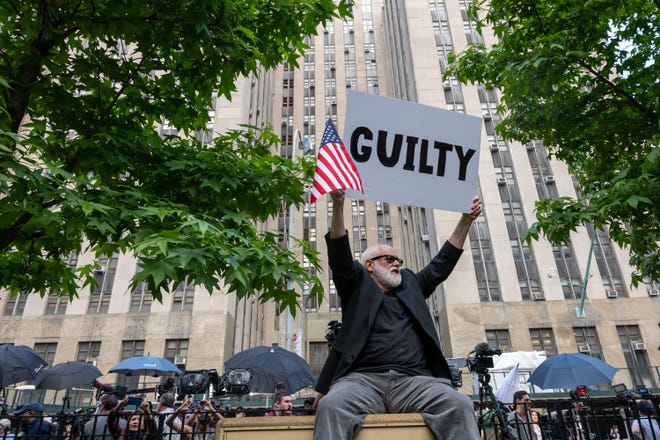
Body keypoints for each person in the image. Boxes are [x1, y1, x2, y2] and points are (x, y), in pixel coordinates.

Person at [312, 189, 482, 440]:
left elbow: (442, 263)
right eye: (388, 259)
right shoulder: (356, 284)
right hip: (362, 382)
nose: (396, 264)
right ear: (369, 265)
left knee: (459, 404)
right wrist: (338, 205)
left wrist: (466, 220)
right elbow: (339, 253)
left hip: (415, 382)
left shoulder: (411, 283)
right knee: (331, 405)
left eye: (398, 260)